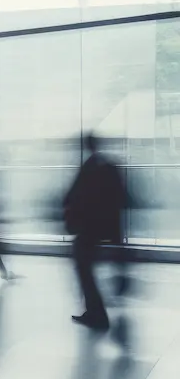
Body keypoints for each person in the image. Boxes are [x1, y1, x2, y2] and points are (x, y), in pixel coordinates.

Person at [63, 132, 127, 331]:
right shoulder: (108, 166)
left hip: (90, 227)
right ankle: (94, 311)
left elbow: (75, 195)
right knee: (85, 268)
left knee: (83, 268)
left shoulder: (90, 167)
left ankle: (96, 314)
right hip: (102, 226)